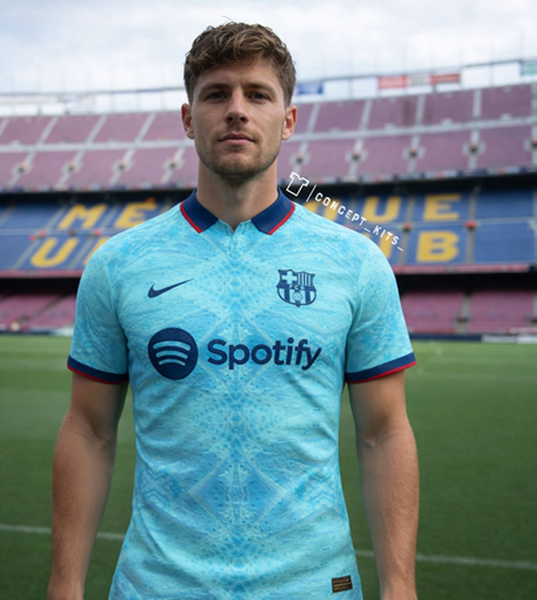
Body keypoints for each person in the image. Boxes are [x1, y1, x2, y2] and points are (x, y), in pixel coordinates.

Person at [48, 22, 419, 600]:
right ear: (188, 118)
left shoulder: (356, 263)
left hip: (316, 586)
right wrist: (65, 583)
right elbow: (89, 430)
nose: (237, 110)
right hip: (158, 586)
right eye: (217, 94)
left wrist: (400, 585)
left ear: (288, 120)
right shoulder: (119, 265)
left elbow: (384, 432)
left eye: (258, 94)